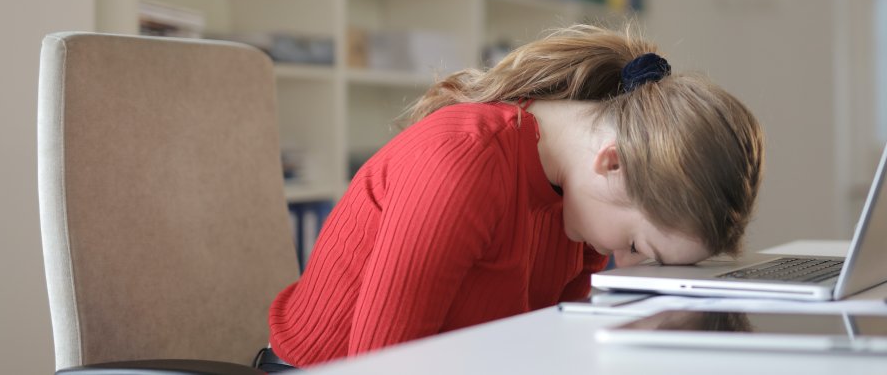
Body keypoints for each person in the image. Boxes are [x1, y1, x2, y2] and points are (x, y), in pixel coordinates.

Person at [260, 24, 765, 369]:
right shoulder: (462, 161)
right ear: (613, 163)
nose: (627, 267)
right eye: (639, 247)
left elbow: (546, 350)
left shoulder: (581, 203)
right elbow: (383, 367)